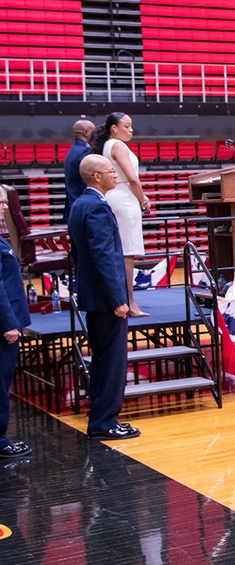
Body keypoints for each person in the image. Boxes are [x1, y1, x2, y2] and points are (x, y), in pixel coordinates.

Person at [68, 155, 139, 440]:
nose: (114, 175)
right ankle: (104, 422)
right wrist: (117, 298)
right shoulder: (96, 207)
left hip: (92, 295)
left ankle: (99, 415)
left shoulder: (78, 204)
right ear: (96, 176)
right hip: (106, 299)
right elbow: (104, 257)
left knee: (101, 359)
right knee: (111, 362)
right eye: (111, 171)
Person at [91, 112, 149, 318]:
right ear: (114, 128)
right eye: (127, 126)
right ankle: (130, 302)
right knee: (127, 254)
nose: (131, 130)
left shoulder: (107, 145)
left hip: (117, 196)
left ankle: (123, 300)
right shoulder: (118, 145)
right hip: (124, 199)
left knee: (122, 252)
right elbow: (132, 178)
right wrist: (143, 200)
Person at [0, 234, 31, 458]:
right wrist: (8, 323)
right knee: (1, 382)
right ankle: (0, 440)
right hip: (4, 322)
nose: (4, 208)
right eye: (1, 203)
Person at [62, 118, 94, 223]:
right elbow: (87, 182)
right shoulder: (85, 151)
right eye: (93, 131)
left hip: (73, 205)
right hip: (83, 209)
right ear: (86, 132)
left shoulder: (72, 150)